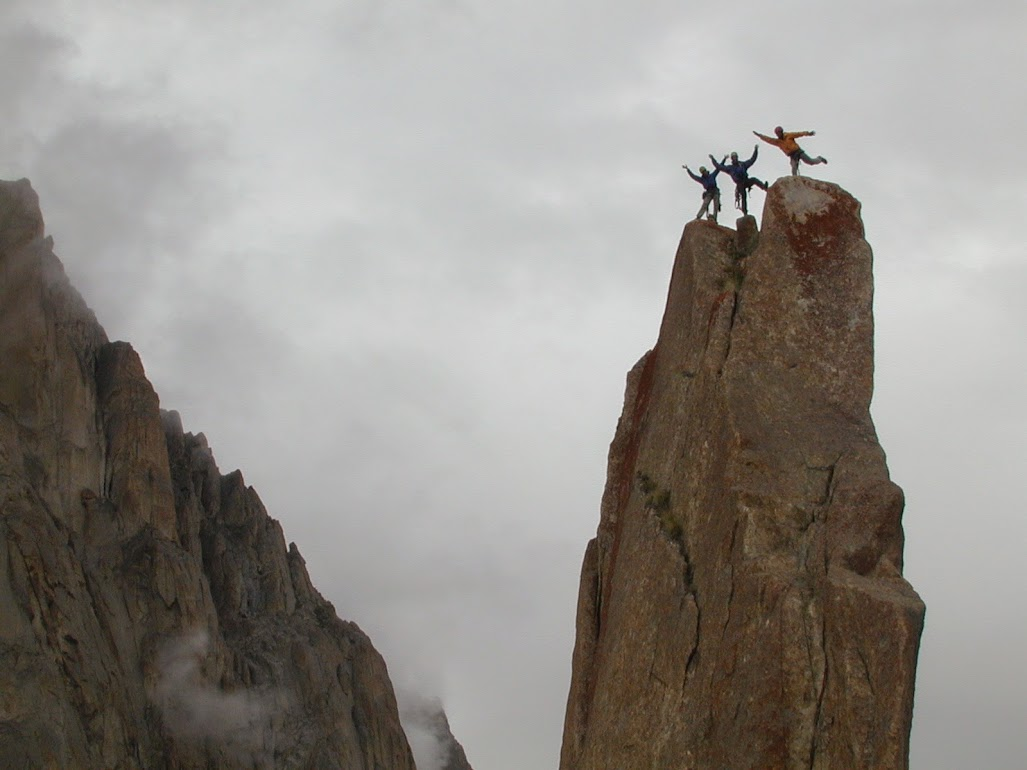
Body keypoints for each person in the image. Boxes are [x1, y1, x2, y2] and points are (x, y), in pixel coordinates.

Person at [710, 145, 768, 215]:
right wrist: (712, 159)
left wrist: (755, 150)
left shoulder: (742, 164)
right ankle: (745, 212)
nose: (735, 158)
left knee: (754, 179)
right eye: (733, 157)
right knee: (743, 196)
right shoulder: (730, 168)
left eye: (735, 157)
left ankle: (764, 187)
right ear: (732, 159)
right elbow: (719, 166)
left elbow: (752, 160)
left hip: (745, 181)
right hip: (740, 184)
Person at [753, 126, 827, 175]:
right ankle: (795, 182)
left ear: (782, 131)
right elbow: (769, 140)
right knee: (794, 168)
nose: (778, 134)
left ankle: (819, 159)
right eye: (777, 133)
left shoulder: (788, 135)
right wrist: (760, 136)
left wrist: (808, 133)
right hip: (792, 155)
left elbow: (798, 134)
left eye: (779, 132)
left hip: (798, 151)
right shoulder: (778, 142)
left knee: (810, 161)